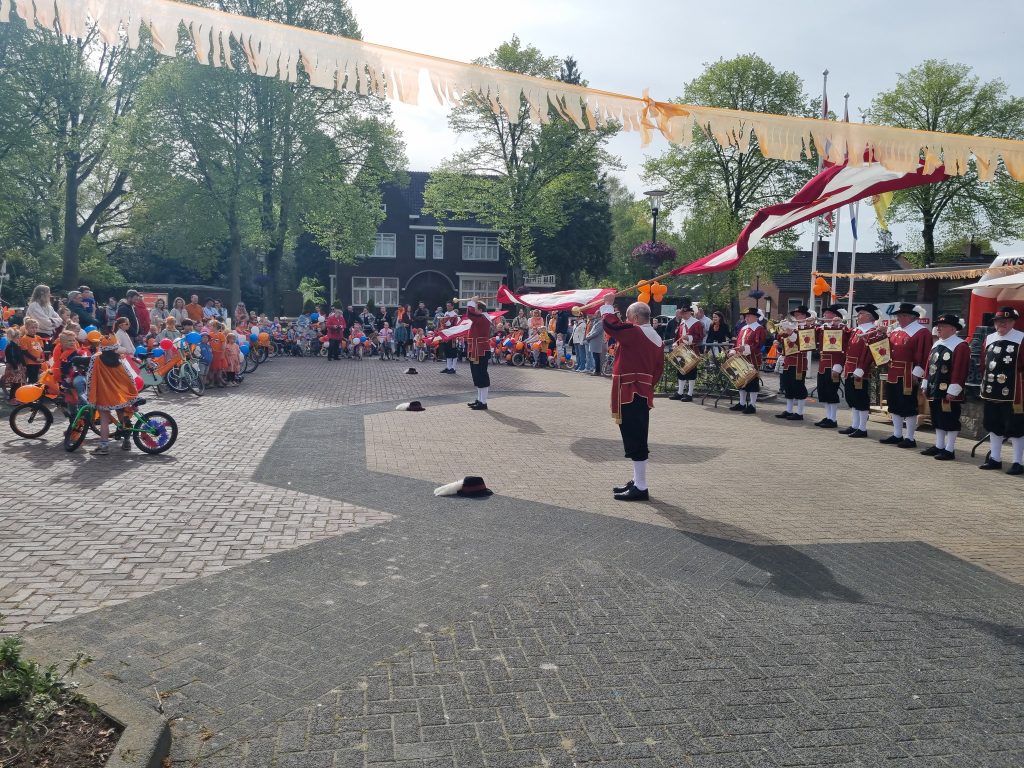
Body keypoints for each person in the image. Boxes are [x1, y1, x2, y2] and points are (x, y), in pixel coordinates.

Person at [600, 298, 664, 502]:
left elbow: (611, 325)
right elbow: (658, 370)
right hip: (640, 390)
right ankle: (637, 481)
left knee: (635, 439)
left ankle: (641, 486)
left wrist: (607, 305)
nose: (626, 321)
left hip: (631, 390)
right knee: (634, 436)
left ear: (635, 318)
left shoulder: (636, 332)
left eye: (628, 318)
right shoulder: (654, 336)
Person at [978, 307, 1024, 474]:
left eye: (1005, 321)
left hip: (1014, 392)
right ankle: (995, 458)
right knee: (993, 425)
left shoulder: (1021, 338)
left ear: (1013, 322)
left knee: (1016, 427)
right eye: (998, 321)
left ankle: (1018, 462)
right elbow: (983, 363)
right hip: (991, 390)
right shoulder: (989, 338)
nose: (1001, 324)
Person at [880, 303, 931, 448]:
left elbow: (926, 354)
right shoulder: (896, 331)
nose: (900, 318)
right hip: (893, 372)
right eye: (899, 315)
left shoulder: (922, 332)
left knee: (908, 405)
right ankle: (897, 434)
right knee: (894, 404)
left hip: (908, 373)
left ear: (912, 317)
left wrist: (918, 373)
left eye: (903, 315)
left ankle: (910, 437)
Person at [919, 314, 969, 461]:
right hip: (935, 388)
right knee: (937, 417)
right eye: (938, 326)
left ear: (953, 329)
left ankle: (949, 449)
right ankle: (939, 445)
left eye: (943, 326)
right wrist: (925, 382)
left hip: (949, 390)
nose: (938, 328)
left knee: (950, 419)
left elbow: (960, 369)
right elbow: (929, 365)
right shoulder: (937, 343)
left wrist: (954, 389)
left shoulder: (960, 345)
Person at [85, 334, 143, 455]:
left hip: (104, 395)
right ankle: (126, 441)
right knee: (123, 417)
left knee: (104, 420)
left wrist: (90, 393)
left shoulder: (95, 359)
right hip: (119, 394)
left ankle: (104, 446)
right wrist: (132, 393)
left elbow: (90, 377)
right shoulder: (120, 360)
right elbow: (129, 378)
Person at [841, 304, 880, 438]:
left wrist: (862, 368)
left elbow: (870, 352)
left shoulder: (873, 331)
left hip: (861, 369)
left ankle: (862, 428)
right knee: (853, 398)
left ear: (869, 316)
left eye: (861, 314)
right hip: (851, 367)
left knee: (861, 399)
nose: (858, 316)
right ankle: (855, 425)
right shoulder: (856, 330)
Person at [814, 304, 849, 429]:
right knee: (823, 392)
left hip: (834, 364)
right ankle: (828, 416)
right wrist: (808, 324)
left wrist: (839, 365)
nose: (824, 315)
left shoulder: (843, 328)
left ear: (835, 315)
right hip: (823, 364)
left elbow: (844, 347)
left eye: (827, 313)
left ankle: (833, 419)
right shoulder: (823, 328)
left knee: (831, 392)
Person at [775, 305, 811, 421]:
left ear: (804, 316)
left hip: (799, 362)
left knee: (798, 387)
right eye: (794, 315)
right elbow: (785, 342)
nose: (796, 317)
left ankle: (799, 413)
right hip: (788, 361)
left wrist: (790, 332)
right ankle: (789, 410)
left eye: (798, 315)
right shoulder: (792, 327)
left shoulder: (807, 327)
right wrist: (780, 335)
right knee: (788, 386)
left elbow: (804, 344)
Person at [729, 307, 767, 414]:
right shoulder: (743, 328)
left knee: (752, 382)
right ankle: (741, 403)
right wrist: (733, 351)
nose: (747, 318)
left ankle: (752, 405)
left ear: (755, 317)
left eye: (749, 316)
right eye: (746, 316)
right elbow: (738, 343)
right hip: (741, 358)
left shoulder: (759, 329)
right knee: (741, 381)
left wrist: (745, 349)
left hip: (753, 359)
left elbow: (759, 344)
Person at [670, 300, 703, 402]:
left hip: (691, 350)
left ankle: (689, 394)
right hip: (681, 350)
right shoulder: (682, 322)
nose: (682, 315)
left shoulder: (696, 323)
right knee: (681, 371)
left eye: (684, 313)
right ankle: (680, 392)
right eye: (682, 313)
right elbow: (678, 336)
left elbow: (700, 337)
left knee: (691, 372)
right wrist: (676, 343)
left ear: (690, 313)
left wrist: (689, 338)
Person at [465, 298, 493, 410]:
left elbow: (470, 312)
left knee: (481, 375)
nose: (474, 311)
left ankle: (483, 402)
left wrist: (472, 301)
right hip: (476, 349)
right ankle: (479, 399)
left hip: (480, 350)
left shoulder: (483, 318)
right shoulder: (481, 317)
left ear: (480, 310)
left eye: (476, 309)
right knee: (477, 376)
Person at [1, 327, 26, 403]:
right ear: (15, 337)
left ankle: (17, 397)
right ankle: (12, 398)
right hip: (14, 367)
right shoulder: (10, 346)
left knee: (19, 383)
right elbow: (11, 358)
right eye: (18, 337)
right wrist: (15, 367)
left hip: (18, 366)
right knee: (15, 384)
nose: (19, 339)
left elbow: (21, 356)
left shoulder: (16, 346)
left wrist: (24, 365)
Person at [439, 301, 460, 374]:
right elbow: (443, 324)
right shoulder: (446, 313)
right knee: (447, 351)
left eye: (449, 306)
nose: (447, 307)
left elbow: (456, 326)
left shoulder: (455, 315)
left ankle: (453, 368)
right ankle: (448, 367)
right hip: (446, 335)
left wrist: (448, 323)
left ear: (452, 306)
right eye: (447, 306)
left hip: (452, 336)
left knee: (453, 351)